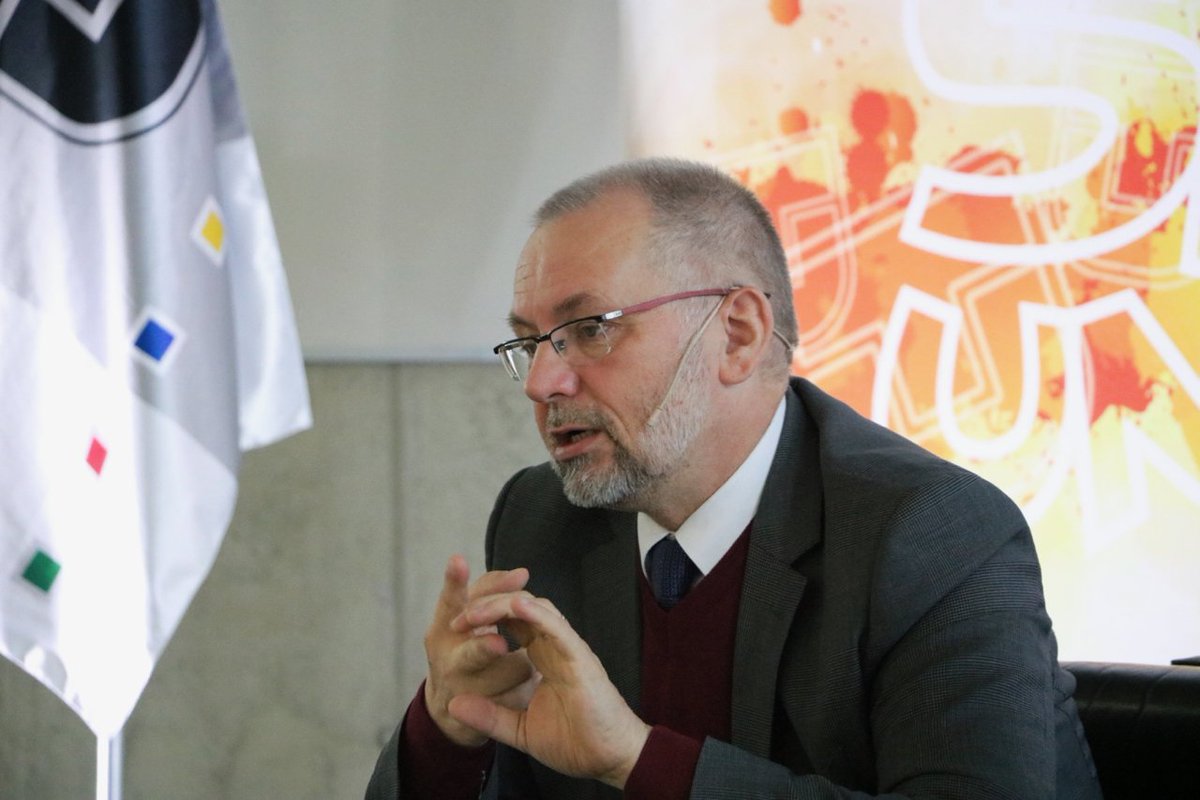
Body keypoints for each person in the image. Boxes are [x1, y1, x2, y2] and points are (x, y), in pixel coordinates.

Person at [366, 158, 1101, 799]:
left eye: (591, 329)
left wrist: (639, 760)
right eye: (530, 343)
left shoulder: (930, 531)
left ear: (738, 333)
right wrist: (447, 728)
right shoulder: (543, 517)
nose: (542, 382)